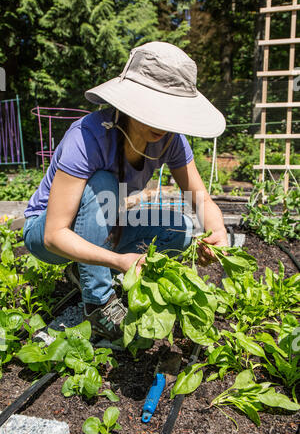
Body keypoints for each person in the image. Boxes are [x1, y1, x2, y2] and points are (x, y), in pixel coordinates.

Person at [23, 41, 227, 342]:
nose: (165, 121)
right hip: (46, 234)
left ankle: (86, 270)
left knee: (181, 229)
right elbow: (54, 234)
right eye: (157, 107)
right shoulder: (87, 137)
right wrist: (119, 262)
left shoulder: (170, 140)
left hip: (102, 222)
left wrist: (217, 230)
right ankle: (99, 303)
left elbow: (200, 199)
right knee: (103, 184)